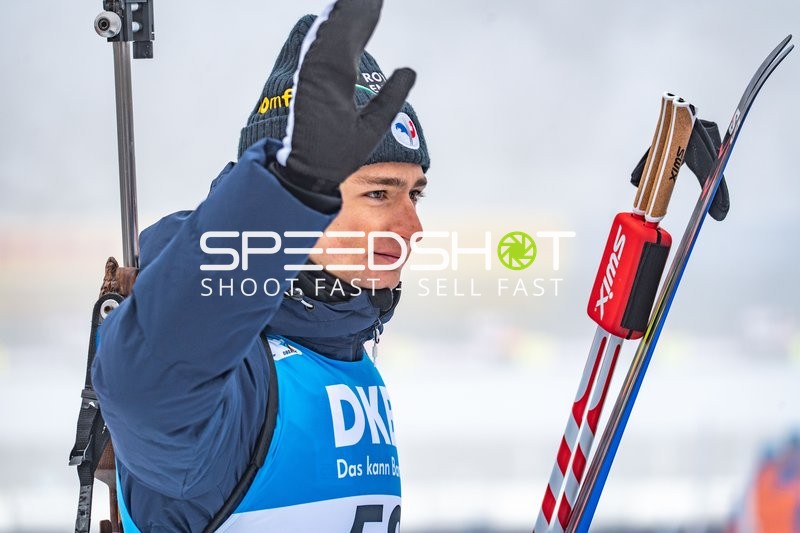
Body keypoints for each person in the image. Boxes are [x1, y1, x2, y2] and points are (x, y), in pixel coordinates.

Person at [92, 0, 430, 530]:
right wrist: (288, 189)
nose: (412, 226)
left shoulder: (345, 356)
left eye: (416, 194)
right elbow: (147, 387)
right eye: (380, 193)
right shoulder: (236, 378)